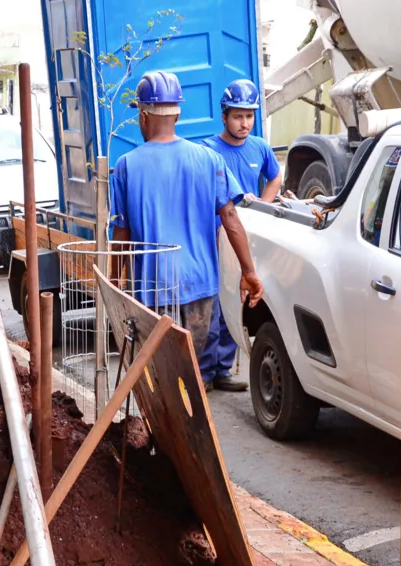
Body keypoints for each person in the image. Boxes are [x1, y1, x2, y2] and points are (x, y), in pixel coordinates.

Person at [110, 70, 263, 361]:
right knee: (189, 370)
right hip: (200, 290)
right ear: (177, 116)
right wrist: (250, 272)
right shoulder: (209, 159)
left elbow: (121, 236)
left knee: (160, 373)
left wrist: (114, 287)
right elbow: (230, 217)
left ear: (143, 116)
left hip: (153, 290)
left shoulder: (127, 166)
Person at [197, 79, 282, 391]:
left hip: (247, 238)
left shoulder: (260, 147)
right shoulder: (209, 150)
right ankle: (206, 373)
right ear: (224, 116)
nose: (244, 123)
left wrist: (264, 206)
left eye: (249, 116)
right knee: (215, 302)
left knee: (238, 299)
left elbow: (275, 177)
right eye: (237, 116)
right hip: (219, 236)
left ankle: (222, 370)